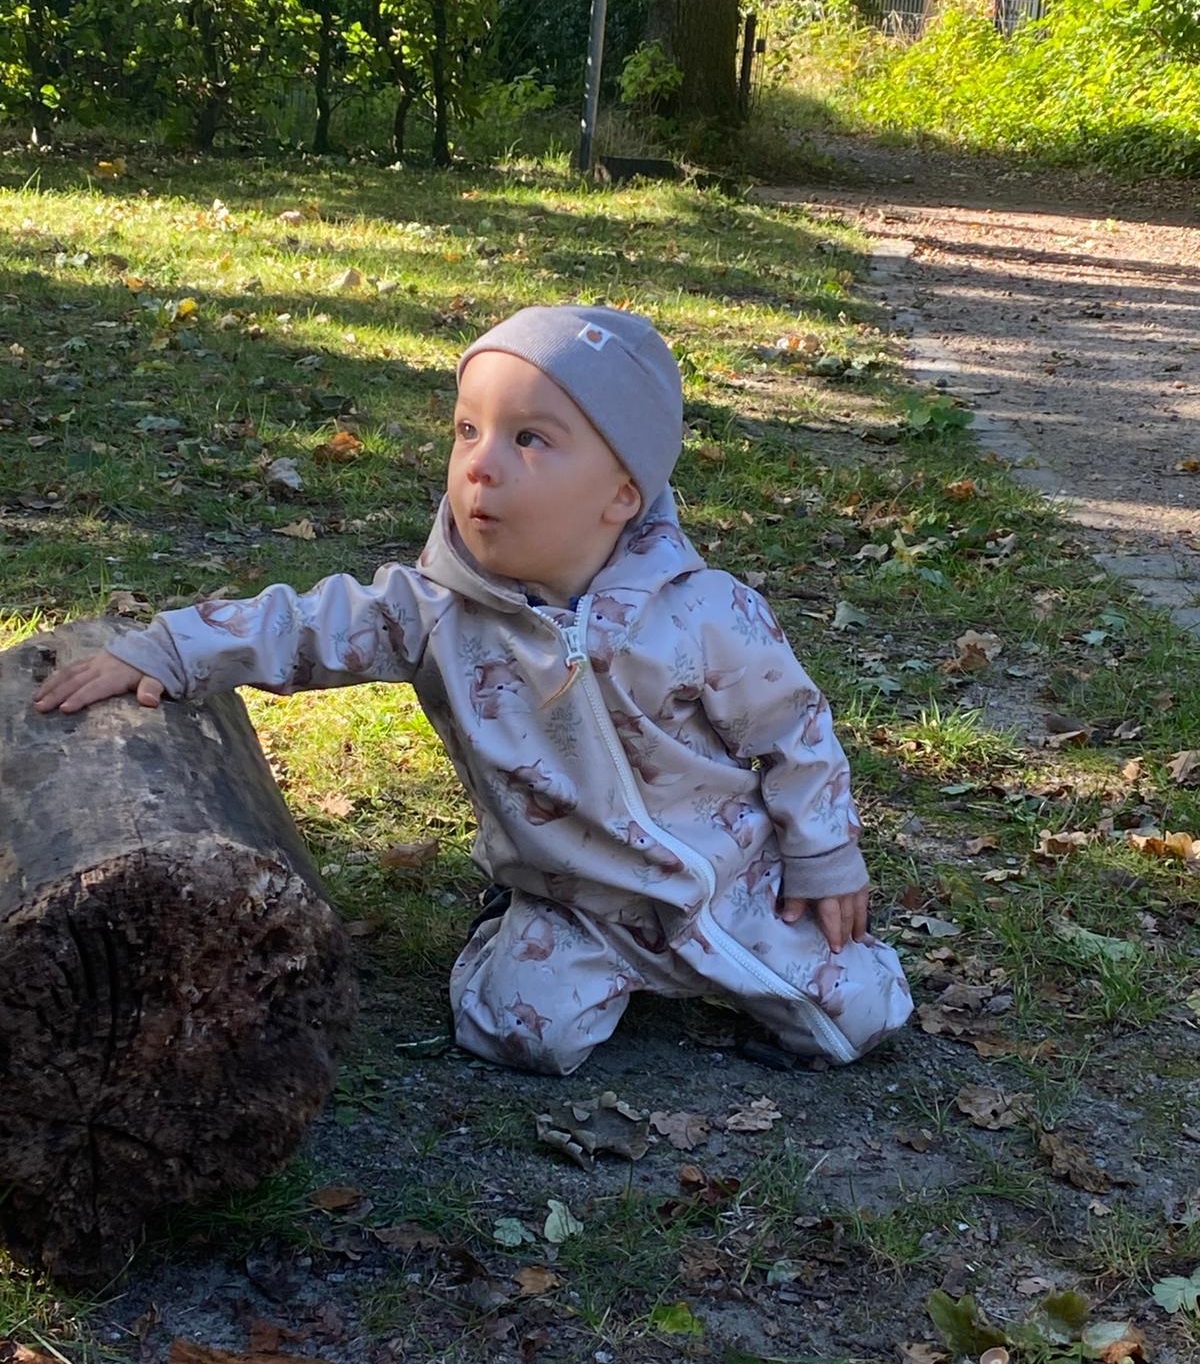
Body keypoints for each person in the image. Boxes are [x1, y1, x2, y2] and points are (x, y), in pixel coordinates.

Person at [33, 304, 913, 1075]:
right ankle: (507, 926)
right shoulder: (433, 614)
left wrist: (824, 853)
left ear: (621, 494)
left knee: (861, 1016)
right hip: (577, 902)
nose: (481, 466)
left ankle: (760, 972)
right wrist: (170, 651)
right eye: (467, 431)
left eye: (529, 438)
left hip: (733, 889)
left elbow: (795, 735)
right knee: (517, 1033)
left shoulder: (708, 615)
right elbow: (305, 625)